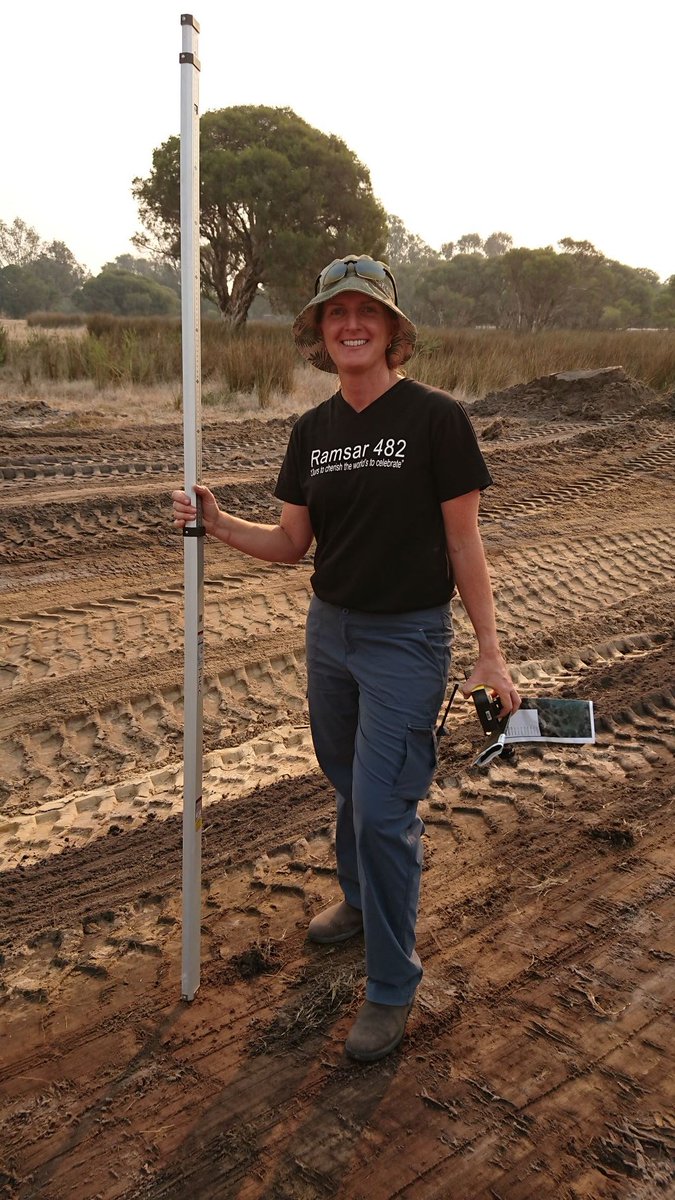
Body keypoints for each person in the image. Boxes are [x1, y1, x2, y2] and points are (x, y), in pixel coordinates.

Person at [172, 253, 520, 1062]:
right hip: (329, 632)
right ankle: (359, 902)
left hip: (407, 638)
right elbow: (293, 543)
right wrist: (220, 524)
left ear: (392, 331)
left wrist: (489, 653)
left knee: (382, 808)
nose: (351, 325)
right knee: (346, 782)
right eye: (335, 315)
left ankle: (391, 986)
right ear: (320, 335)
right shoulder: (313, 431)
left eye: (366, 313)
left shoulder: (436, 419)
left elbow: (464, 543)